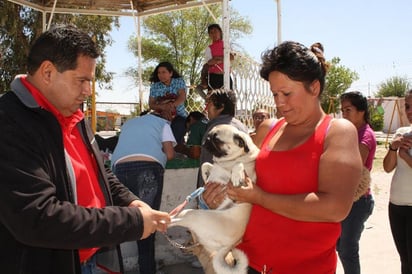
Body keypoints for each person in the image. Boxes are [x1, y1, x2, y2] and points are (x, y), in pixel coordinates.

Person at [0, 25, 171, 274]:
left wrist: (132, 202)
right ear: (47, 72)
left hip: (92, 259)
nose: (88, 91)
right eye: (81, 80)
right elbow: (38, 217)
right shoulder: (9, 122)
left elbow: (101, 173)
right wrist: (131, 222)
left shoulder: (75, 116)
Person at [202, 41, 362, 274]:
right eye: (275, 94)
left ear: (314, 88)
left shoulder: (338, 132)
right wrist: (222, 197)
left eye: (287, 93)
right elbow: (241, 188)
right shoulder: (268, 129)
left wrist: (260, 197)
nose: (279, 102)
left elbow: (334, 208)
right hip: (250, 264)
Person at [111, 111, 176, 274]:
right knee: (148, 223)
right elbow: (170, 154)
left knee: (121, 223)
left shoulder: (129, 123)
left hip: (119, 168)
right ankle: (147, 270)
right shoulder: (163, 124)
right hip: (147, 169)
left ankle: (114, 268)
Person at [337, 91, 376, 274]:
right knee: (341, 246)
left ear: (361, 111)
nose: (344, 114)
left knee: (347, 250)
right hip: (347, 198)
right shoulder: (351, 131)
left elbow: (354, 165)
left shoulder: (365, 135)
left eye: (348, 110)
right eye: (342, 110)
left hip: (359, 201)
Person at [383, 89, 412, 274]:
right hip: (396, 205)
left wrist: (405, 156)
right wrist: (393, 148)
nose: (409, 111)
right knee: (405, 260)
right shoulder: (402, 133)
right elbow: (386, 167)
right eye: (407, 106)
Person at [196, 88, 248, 189]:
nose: (206, 109)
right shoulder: (241, 126)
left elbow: (212, 167)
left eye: (209, 104)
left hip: (216, 194)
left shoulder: (217, 129)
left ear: (221, 107)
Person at [149, 61, 188, 144]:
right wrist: (164, 107)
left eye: (164, 72)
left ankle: (172, 148)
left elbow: (182, 97)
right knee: (149, 124)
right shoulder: (155, 86)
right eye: (159, 73)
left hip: (179, 115)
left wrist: (171, 106)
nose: (161, 75)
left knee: (179, 126)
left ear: (171, 73)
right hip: (160, 115)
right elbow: (151, 104)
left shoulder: (179, 82)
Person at [195, 24, 234, 98]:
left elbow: (231, 57)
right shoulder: (209, 48)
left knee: (228, 100)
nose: (214, 34)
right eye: (211, 32)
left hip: (226, 76)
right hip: (214, 77)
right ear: (209, 35)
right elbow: (210, 62)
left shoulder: (226, 45)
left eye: (215, 31)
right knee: (214, 100)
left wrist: (218, 59)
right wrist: (224, 58)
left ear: (220, 32)